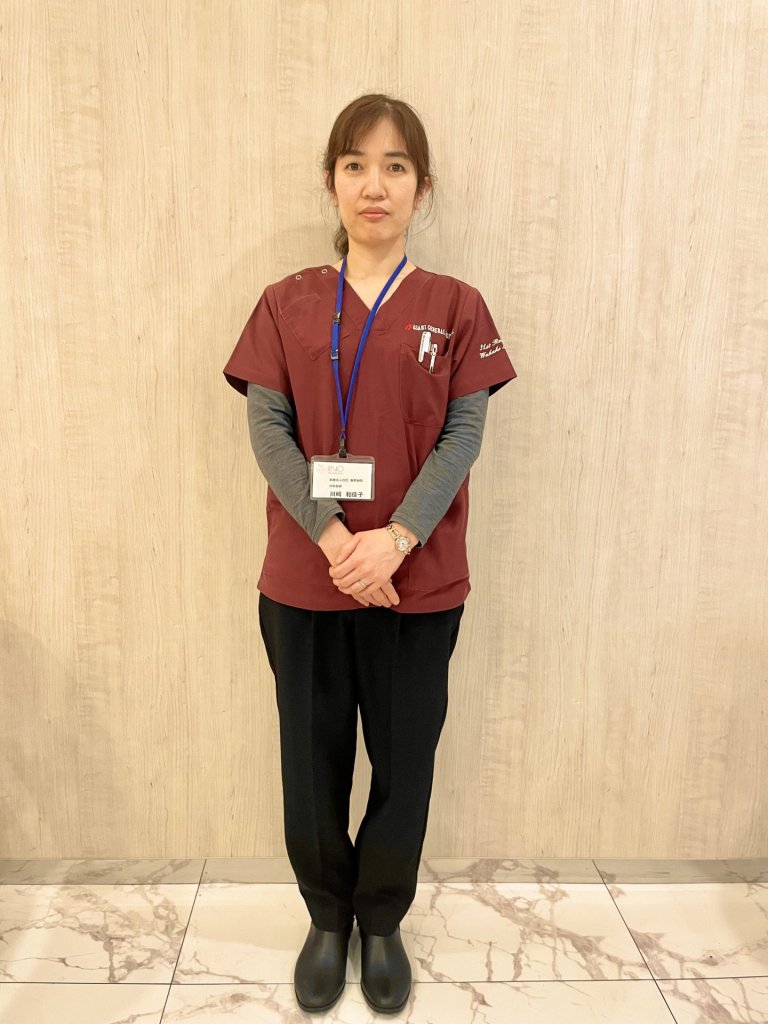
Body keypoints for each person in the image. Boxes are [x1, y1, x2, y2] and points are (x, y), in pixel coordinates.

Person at [223, 93, 516, 1015]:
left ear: (422, 188)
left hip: (416, 582)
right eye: (355, 165)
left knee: (405, 760)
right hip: (306, 577)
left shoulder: (456, 307)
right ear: (331, 182)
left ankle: (381, 921)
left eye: (395, 166)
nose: (374, 184)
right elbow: (268, 430)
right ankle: (328, 919)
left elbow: (463, 436)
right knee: (310, 762)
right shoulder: (286, 303)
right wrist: (333, 537)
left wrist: (395, 539)